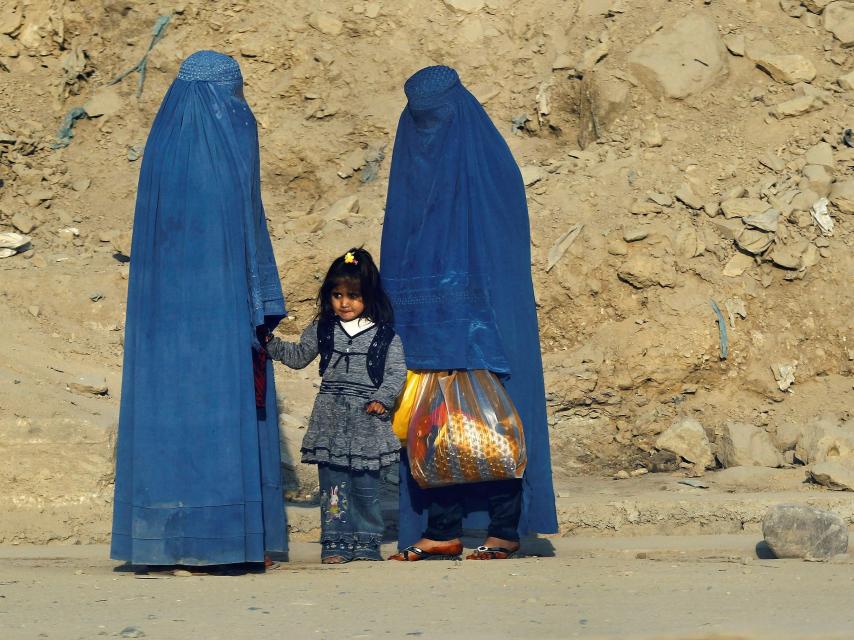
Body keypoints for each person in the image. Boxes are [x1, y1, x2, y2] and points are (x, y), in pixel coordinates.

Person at [111, 51, 287, 572]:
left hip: (161, 327)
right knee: (222, 410)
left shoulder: (163, 148)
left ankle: (159, 543)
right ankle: (226, 540)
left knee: (169, 415)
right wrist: (263, 303)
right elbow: (249, 234)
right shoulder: (229, 144)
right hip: (221, 316)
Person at [381, 65, 558, 561]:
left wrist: (471, 310)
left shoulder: (490, 167)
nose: (426, 129)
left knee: (493, 422)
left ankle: (503, 530)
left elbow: (499, 249)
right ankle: (442, 529)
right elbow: (401, 240)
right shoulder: (412, 162)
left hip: (487, 322)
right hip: (430, 317)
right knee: (434, 425)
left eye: (435, 117)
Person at [264, 248, 406, 564]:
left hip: (367, 419)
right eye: (337, 295)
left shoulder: (385, 336)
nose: (344, 303)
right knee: (333, 487)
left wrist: (382, 400)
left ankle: (368, 542)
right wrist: (270, 343)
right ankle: (336, 543)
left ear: (368, 296)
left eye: (353, 295)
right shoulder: (323, 329)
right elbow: (299, 356)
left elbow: (396, 372)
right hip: (330, 418)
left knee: (367, 486)